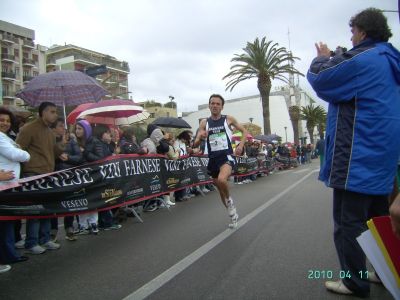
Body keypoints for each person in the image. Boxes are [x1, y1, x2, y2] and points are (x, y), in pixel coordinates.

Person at [307, 8, 400, 297]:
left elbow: (321, 79)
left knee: (349, 223)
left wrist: (324, 56)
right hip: (383, 159)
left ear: (362, 31)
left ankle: (354, 281)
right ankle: (386, 272)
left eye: (352, 31)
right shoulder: (392, 60)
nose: (351, 36)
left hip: (356, 159)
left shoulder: (364, 59)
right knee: (380, 218)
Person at [194, 94, 248, 229]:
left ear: (222, 106)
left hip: (226, 156)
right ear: (209, 105)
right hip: (213, 159)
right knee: (220, 190)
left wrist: (240, 146)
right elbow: (194, 144)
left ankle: (230, 203)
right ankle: (232, 215)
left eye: (218, 104)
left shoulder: (228, 119)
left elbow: (244, 131)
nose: (215, 105)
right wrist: (200, 137)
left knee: (222, 180)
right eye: (212, 103)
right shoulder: (204, 123)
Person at [16, 102, 63, 254]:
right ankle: (31, 242)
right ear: (42, 112)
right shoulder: (28, 128)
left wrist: (62, 143)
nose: (55, 114)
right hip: (33, 174)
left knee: (47, 210)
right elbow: (18, 149)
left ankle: (45, 239)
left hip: (48, 174)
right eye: (52, 111)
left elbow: (55, 153)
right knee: (35, 211)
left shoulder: (50, 132)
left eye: (56, 112)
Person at [0, 107, 31, 273]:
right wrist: (23, 152)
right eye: (1, 120)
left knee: (7, 223)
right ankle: (8, 255)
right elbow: (17, 155)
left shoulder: (5, 137)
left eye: (7, 120)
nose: (4, 123)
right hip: (2, 187)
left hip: (8, 186)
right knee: (4, 224)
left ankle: (9, 254)